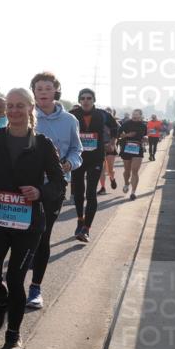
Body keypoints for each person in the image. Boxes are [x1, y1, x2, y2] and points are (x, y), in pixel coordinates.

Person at [0, 87, 64, 349]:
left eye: (19, 105)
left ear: (30, 108)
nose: (13, 110)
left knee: (15, 279)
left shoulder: (43, 144)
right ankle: (1, 302)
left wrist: (40, 193)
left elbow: (59, 182)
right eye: (9, 106)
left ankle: (13, 336)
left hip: (28, 224)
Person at [26, 71, 82, 310]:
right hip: (26, 185)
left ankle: (35, 288)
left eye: (48, 88)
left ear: (56, 90)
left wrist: (69, 163)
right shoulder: (26, 116)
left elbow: (77, 151)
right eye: (39, 89)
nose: (43, 93)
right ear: (34, 92)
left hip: (55, 185)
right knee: (22, 234)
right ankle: (16, 279)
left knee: (43, 234)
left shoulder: (70, 120)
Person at [70, 89, 118, 241]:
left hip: (96, 158)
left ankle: (86, 229)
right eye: (82, 98)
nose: (86, 101)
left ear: (94, 100)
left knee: (91, 193)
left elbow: (115, 127)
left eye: (89, 98)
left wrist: (112, 142)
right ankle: (80, 220)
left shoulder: (103, 114)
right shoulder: (72, 114)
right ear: (79, 100)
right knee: (78, 192)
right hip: (77, 157)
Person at [119, 109, 148, 200]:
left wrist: (145, 138)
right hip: (126, 148)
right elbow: (119, 135)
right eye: (133, 114)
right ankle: (126, 183)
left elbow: (144, 135)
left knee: (134, 171)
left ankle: (133, 192)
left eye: (136, 114)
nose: (134, 116)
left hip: (138, 148)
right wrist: (127, 135)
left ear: (140, 116)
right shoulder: (126, 124)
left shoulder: (143, 125)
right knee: (127, 170)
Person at [98, 107, 119, 195]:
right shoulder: (97, 122)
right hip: (100, 146)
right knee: (101, 168)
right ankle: (103, 187)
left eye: (109, 112)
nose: (107, 113)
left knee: (110, 169)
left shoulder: (116, 124)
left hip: (110, 146)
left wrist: (112, 143)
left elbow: (119, 135)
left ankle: (112, 178)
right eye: (106, 112)